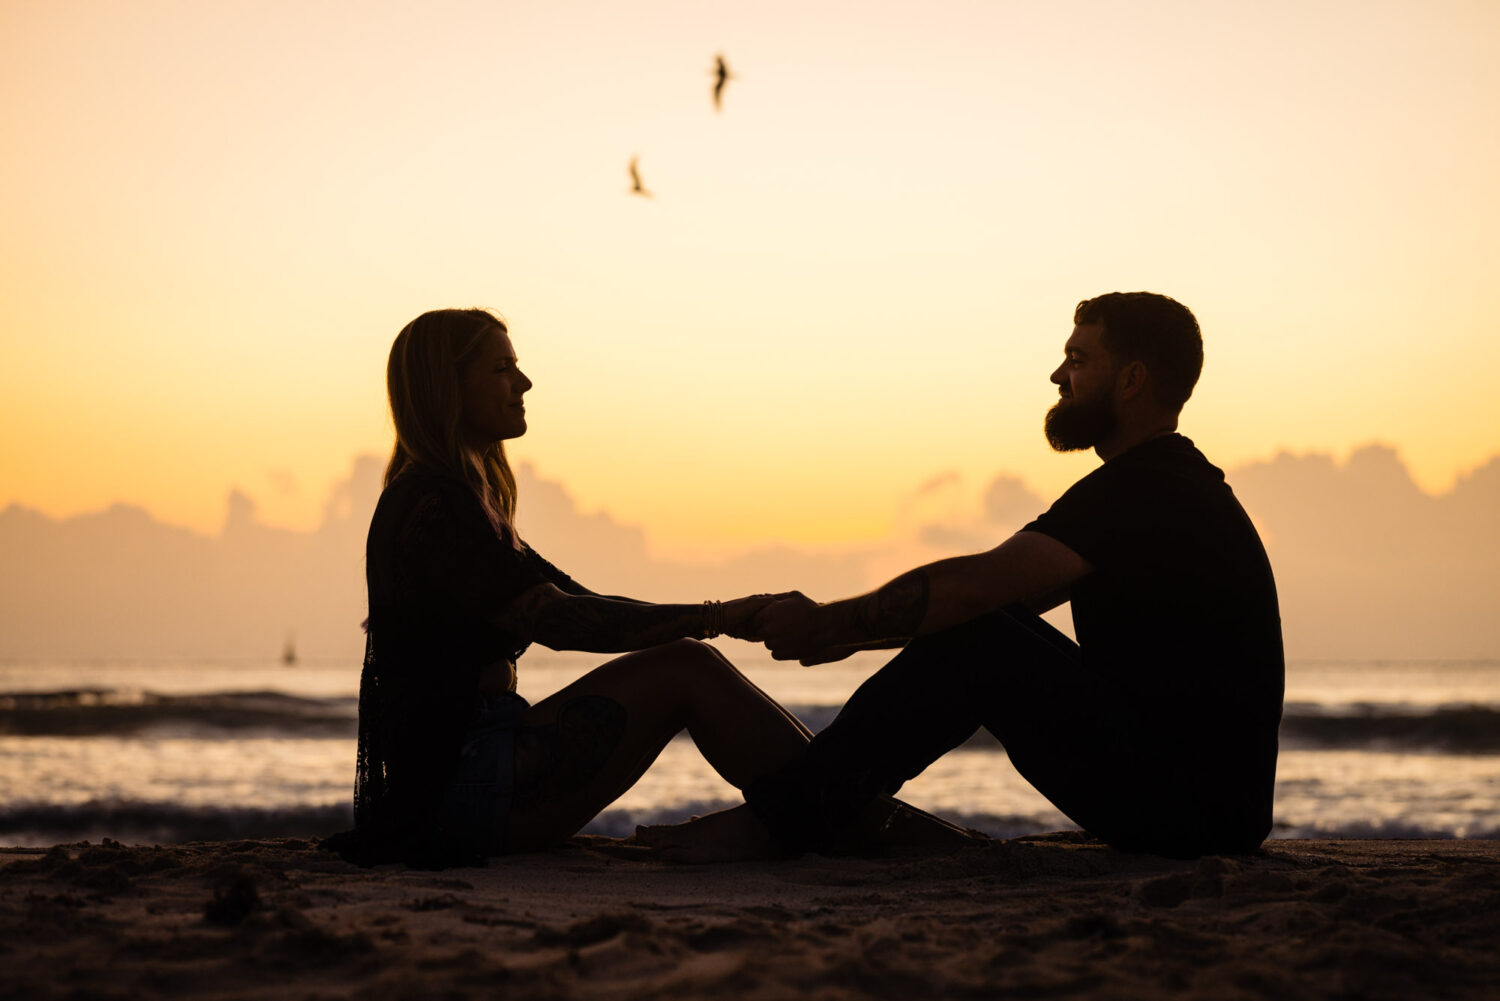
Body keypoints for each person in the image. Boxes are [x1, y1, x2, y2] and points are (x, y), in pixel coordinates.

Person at [646, 292, 1284, 861]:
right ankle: (807, 811)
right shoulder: (1159, 484)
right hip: (1205, 807)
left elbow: (976, 589)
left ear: (1132, 380)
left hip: (1192, 813)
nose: (1058, 375)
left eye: (1078, 359)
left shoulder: (1147, 489)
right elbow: (1005, 596)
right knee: (978, 631)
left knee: (977, 639)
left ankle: (783, 823)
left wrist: (826, 622)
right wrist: (851, 635)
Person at [332, 307, 816, 867]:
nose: (524, 383)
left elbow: (581, 602)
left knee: (689, 662)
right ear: (448, 385)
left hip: (479, 767)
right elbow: (562, 620)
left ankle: (837, 799)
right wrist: (719, 617)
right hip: (454, 790)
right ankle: (833, 805)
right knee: (688, 667)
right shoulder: (434, 505)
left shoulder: (464, 498)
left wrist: (724, 615)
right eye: (501, 369)